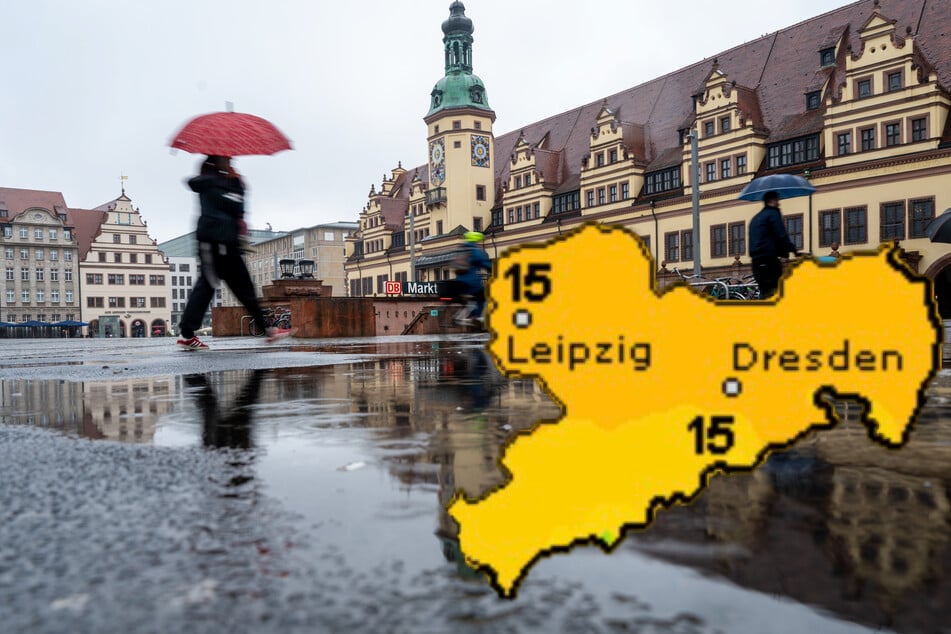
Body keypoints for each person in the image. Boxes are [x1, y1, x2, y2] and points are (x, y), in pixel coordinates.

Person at [177, 156, 293, 351]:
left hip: (225, 242)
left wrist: (236, 186)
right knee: (209, 287)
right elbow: (233, 207)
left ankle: (267, 330)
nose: (232, 163)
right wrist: (235, 186)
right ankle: (186, 333)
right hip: (216, 242)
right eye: (228, 160)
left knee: (240, 288)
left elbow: (236, 210)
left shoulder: (222, 182)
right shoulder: (216, 184)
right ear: (218, 162)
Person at [748, 191, 799, 299]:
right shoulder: (773, 213)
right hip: (769, 260)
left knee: (765, 292)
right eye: (777, 200)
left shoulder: (756, 218)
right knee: (777, 292)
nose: (779, 203)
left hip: (756, 262)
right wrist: (794, 251)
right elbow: (781, 234)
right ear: (772, 200)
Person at [449, 231, 492, 327]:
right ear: (476, 240)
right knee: (483, 296)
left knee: (470, 300)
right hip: (471, 282)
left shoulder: (461, 249)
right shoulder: (475, 251)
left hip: (459, 282)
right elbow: (486, 264)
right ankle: (476, 317)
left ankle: (463, 316)